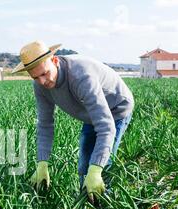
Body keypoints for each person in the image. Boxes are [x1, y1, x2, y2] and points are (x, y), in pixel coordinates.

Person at [12, 41, 134, 200]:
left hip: (116, 108)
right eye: (36, 77)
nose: (42, 81)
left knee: (102, 166)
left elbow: (105, 126)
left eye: (44, 73)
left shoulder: (81, 76)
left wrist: (96, 170)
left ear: (54, 61)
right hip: (91, 113)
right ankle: (87, 205)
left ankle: (105, 207)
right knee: (84, 164)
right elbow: (45, 124)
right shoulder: (41, 86)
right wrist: (42, 163)